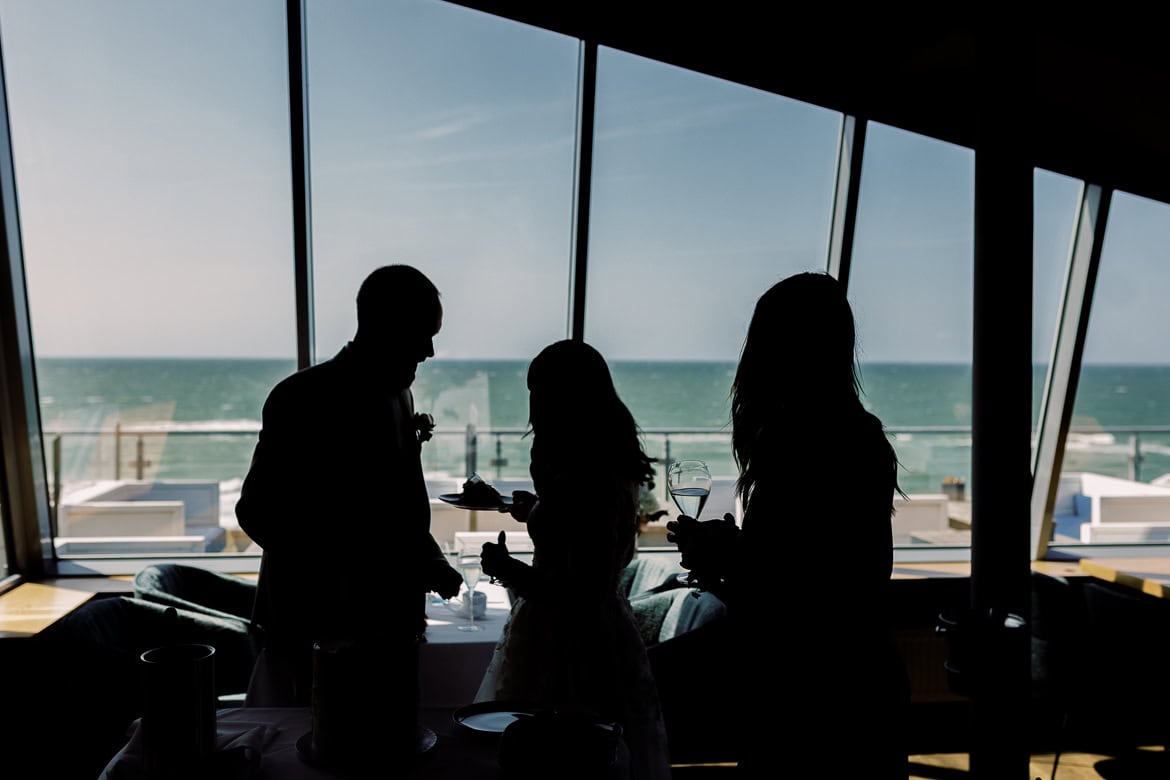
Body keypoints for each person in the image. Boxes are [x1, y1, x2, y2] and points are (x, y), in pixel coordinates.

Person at [664, 271, 911, 778]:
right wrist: (732, 554)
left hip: (812, 698)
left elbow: (803, 592)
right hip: (849, 688)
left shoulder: (802, 444)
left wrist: (729, 554)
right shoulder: (856, 439)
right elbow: (842, 574)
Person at [235, 264, 463, 731]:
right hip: (315, 628)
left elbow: (400, 505)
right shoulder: (301, 398)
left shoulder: (399, 396)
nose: (430, 349)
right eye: (423, 333)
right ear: (383, 325)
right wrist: (358, 563)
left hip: (392, 625)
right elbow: (257, 512)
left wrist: (430, 559)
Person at [476, 340, 673, 780]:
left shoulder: (593, 480)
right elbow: (580, 537)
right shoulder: (602, 469)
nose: (534, 409)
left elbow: (579, 592)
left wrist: (507, 569)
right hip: (588, 633)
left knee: (559, 762)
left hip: (575, 648)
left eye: (540, 394)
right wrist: (537, 509)